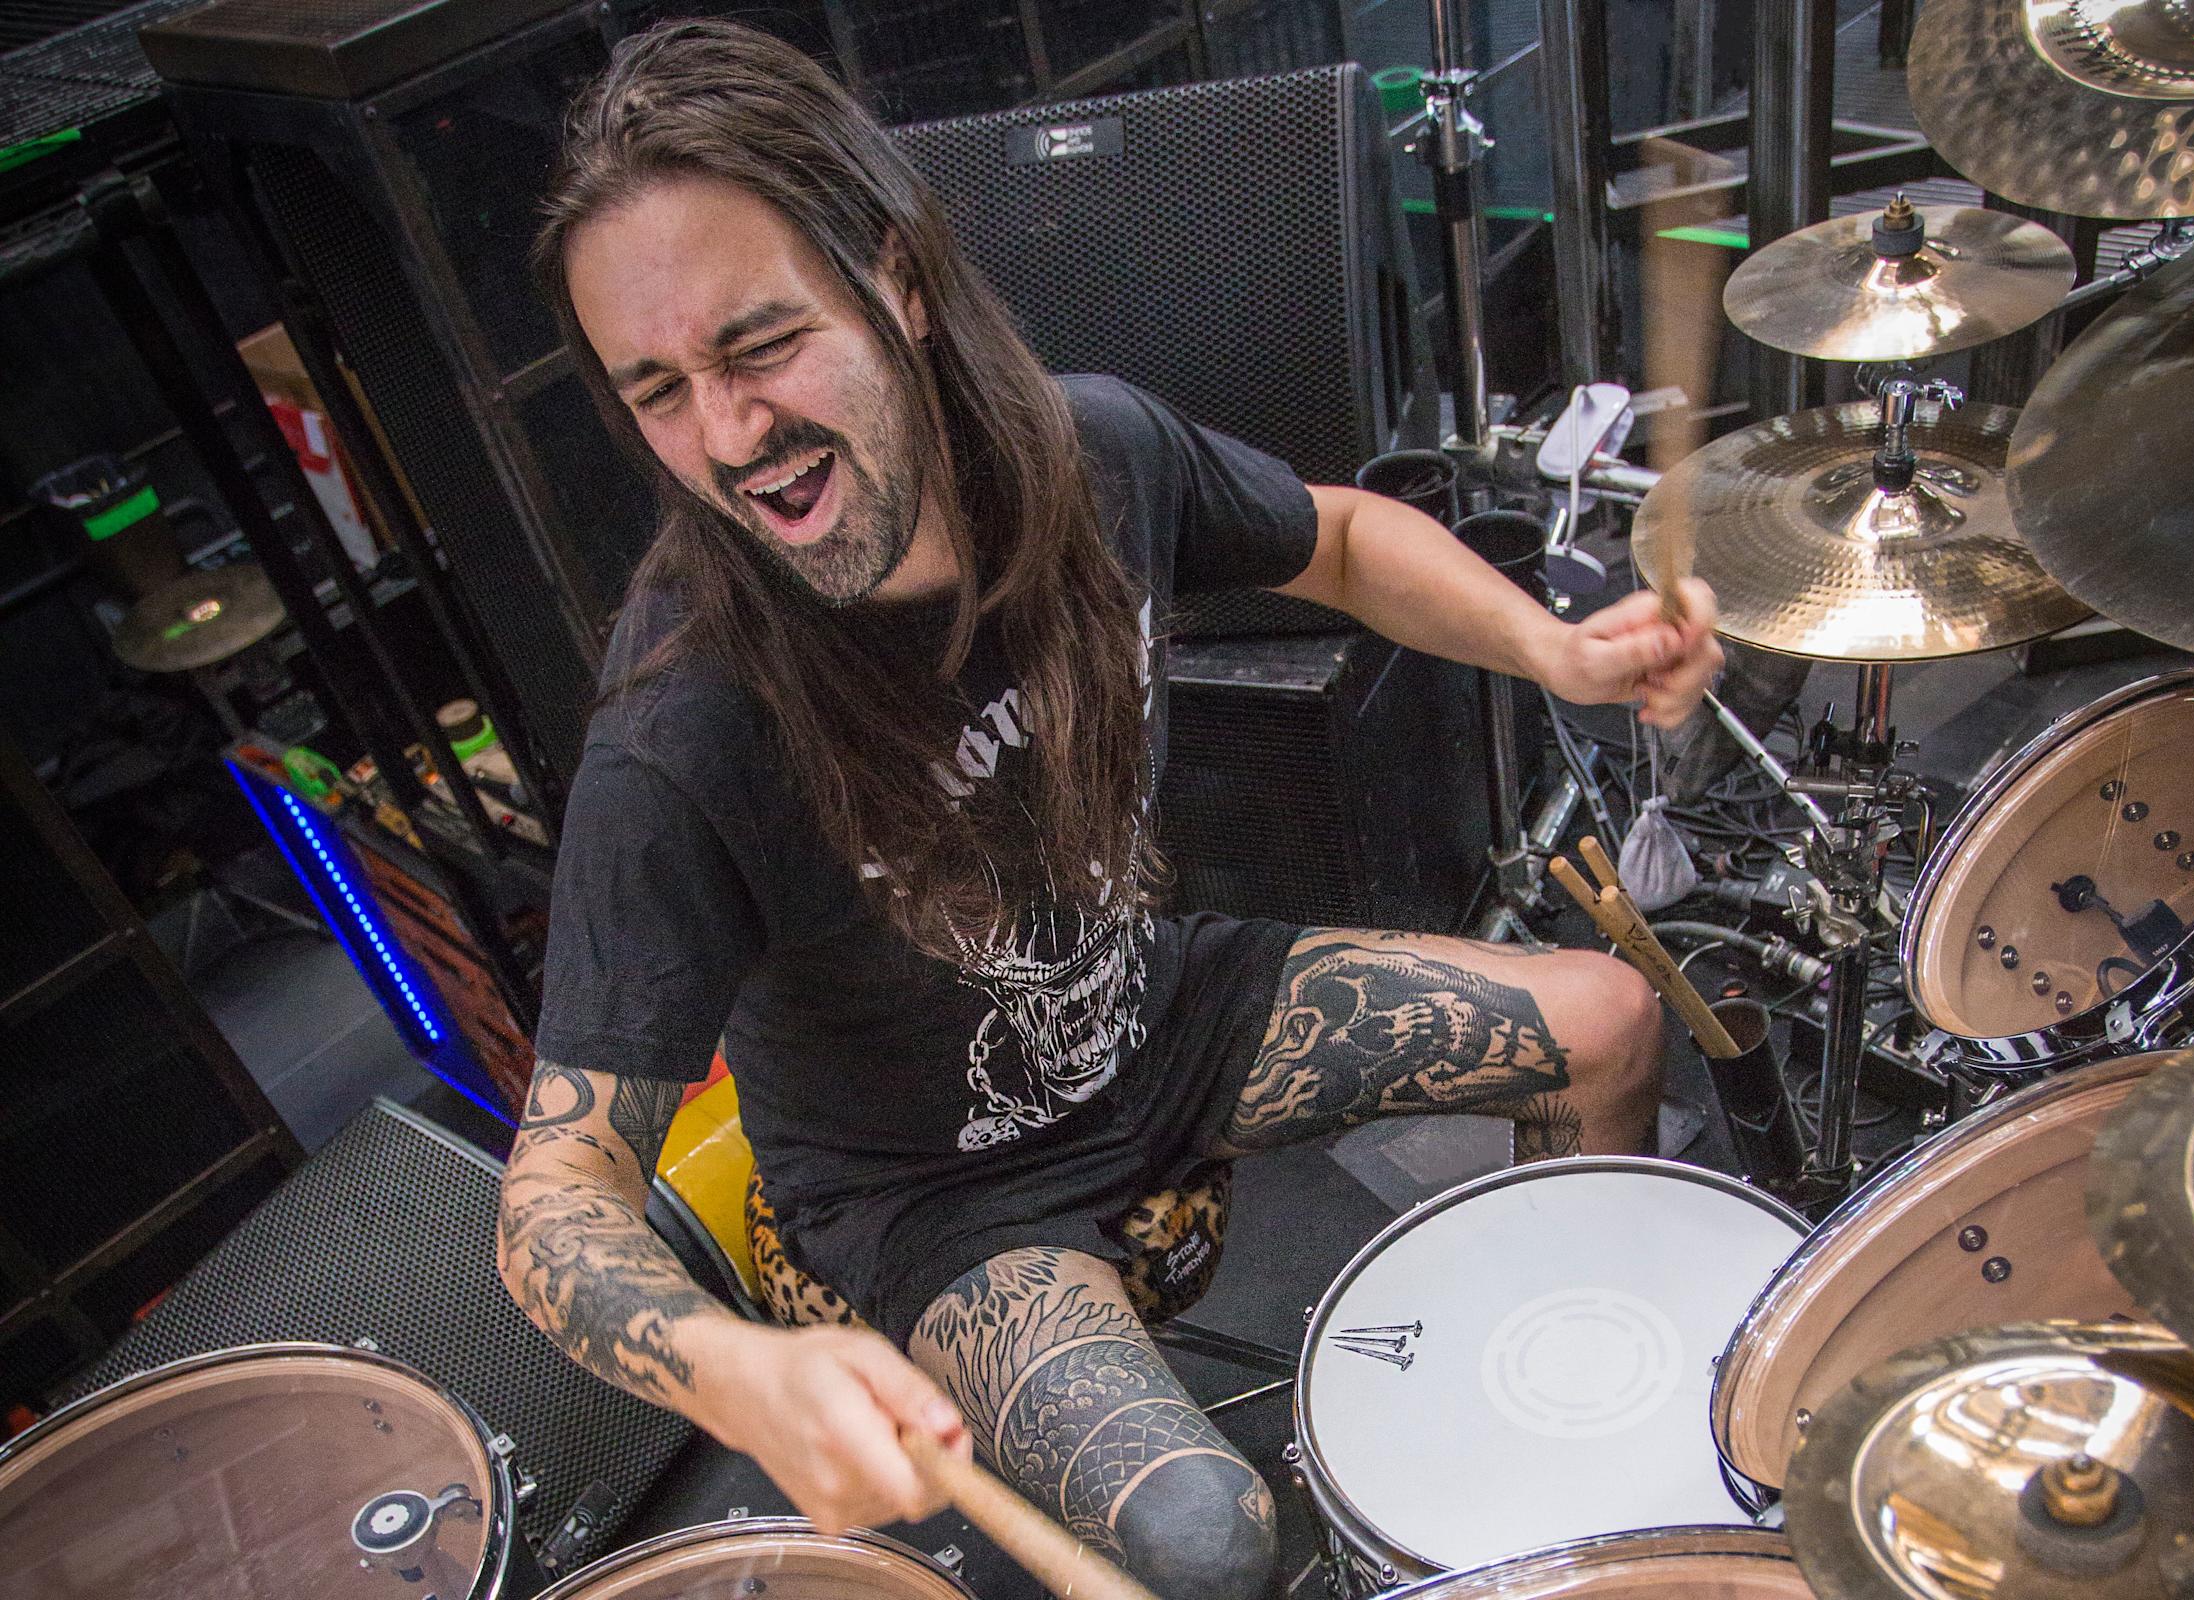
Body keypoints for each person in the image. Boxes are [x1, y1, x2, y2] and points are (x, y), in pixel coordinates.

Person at [498, 20, 1722, 1600]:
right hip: (938, 1190)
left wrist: (1557, 648)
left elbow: (1338, 540)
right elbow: (557, 1195)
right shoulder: (686, 721)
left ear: (900, 283)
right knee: (1208, 1540)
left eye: (761, 346)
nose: (731, 439)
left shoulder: (1087, 454)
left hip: (1160, 1010)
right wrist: (723, 1363)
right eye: (660, 390)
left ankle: (1562, 1415)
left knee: (1614, 1019)